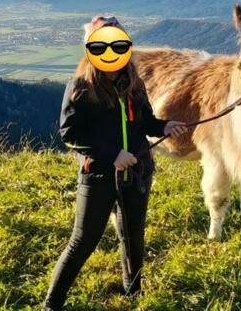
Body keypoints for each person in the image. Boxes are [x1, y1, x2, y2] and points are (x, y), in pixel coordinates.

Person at [43, 16, 188, 310]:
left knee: (133, 236)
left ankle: (133, 294)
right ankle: (51, 304)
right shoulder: (80, 86)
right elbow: (69, 134)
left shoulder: (134, 83)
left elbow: (146, 122)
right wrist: (112, 156)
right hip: (98, 176)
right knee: (83, 241)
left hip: (137, 172)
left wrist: (165, 126)